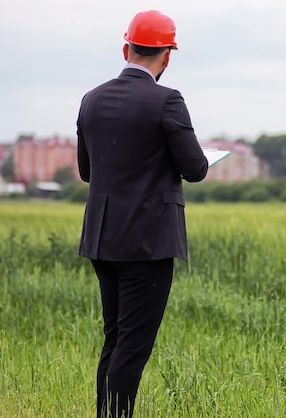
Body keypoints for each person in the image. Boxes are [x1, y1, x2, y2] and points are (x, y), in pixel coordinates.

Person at [76, 10, 208, 418]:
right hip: (147, 244)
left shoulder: (91, 99)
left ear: (126, 48)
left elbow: (86, 171)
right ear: (167, 56)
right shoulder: (167, 100)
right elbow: (196, 168)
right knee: (133, 348)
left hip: (102, 239)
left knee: (114, 339)